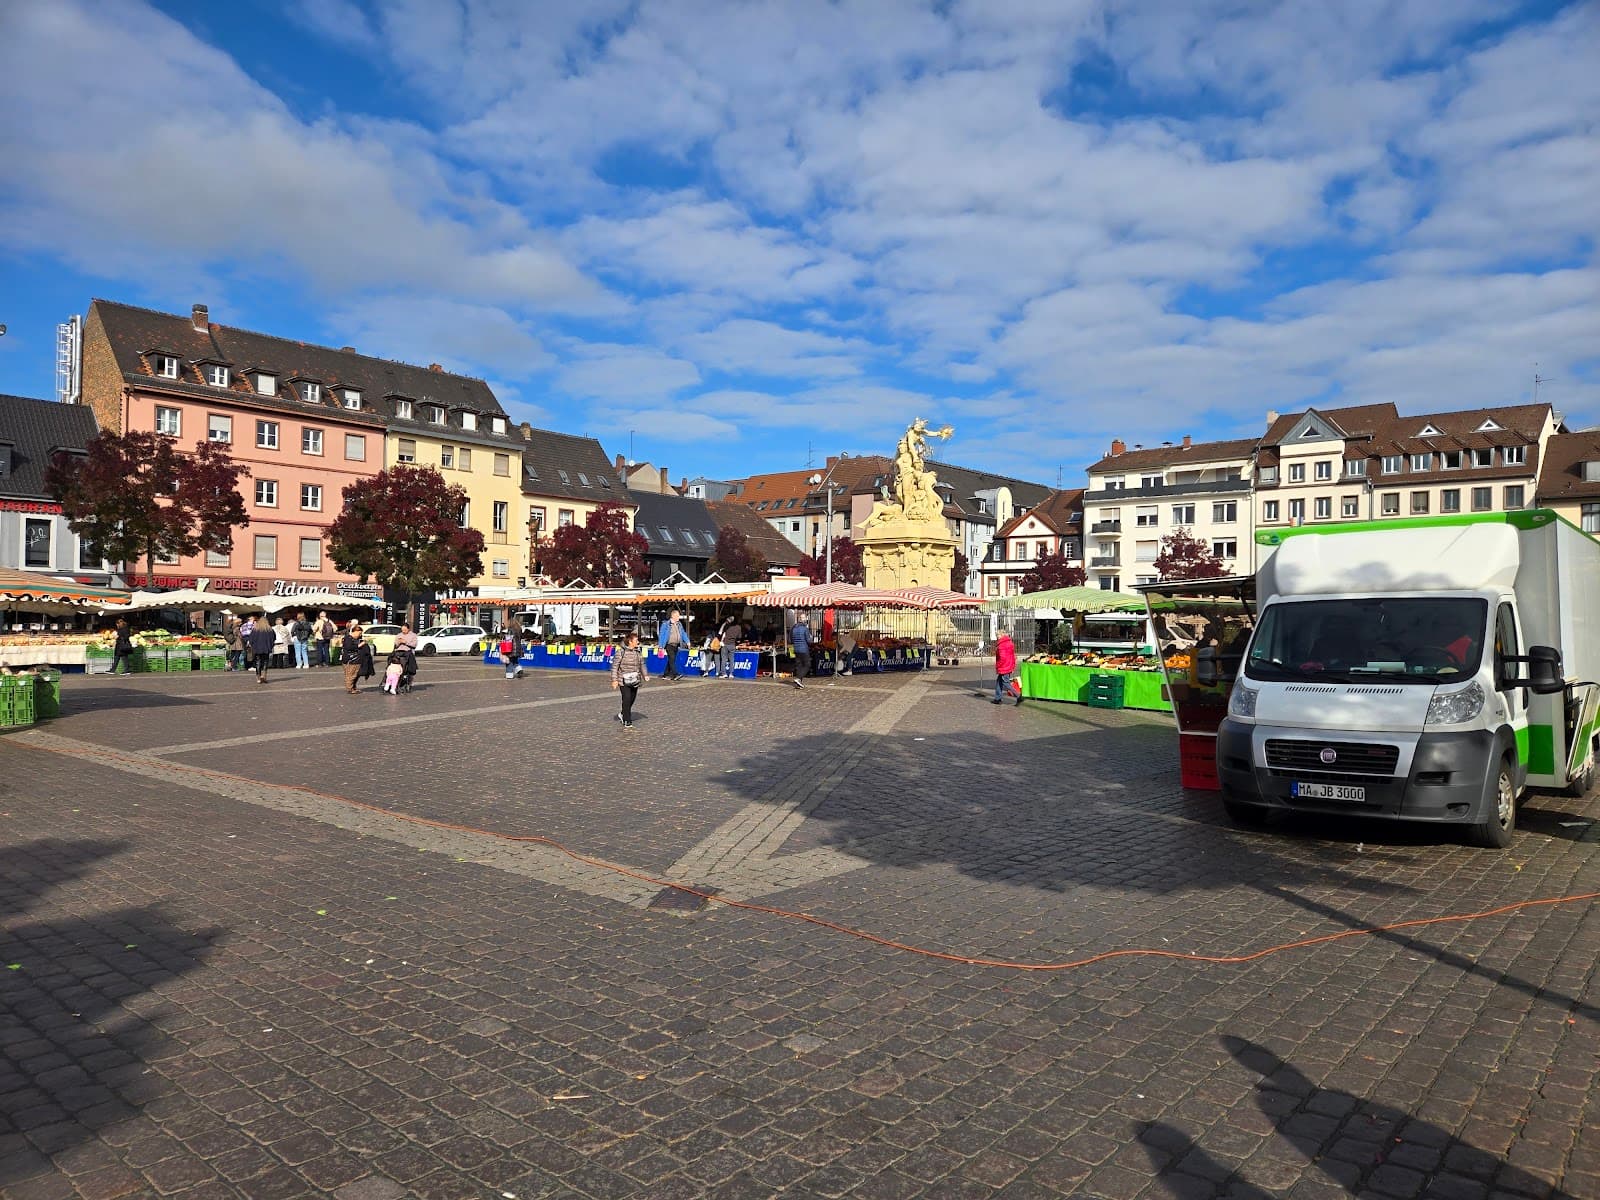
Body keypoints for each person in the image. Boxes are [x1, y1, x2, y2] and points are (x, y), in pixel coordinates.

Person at [611, 628, 647, 730]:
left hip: (635, 679)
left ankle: (623, 713)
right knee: (626, 698)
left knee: (632, 698)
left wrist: (645, 675)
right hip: (623, 680)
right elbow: (615, 667)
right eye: (636, 640)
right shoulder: (620, 652)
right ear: (630, 642)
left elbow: (642, 664)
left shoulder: (638, 652)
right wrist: (614, 680)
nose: (638, 642)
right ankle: (627, 720)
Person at [658, 609, 688, 681]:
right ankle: (675, 674)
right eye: (677, 616)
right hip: (669, 644)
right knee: (672, 658)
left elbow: (683, 633)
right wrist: (660, 646)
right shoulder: (666, 624)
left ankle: (665, 674)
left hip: (676, 645)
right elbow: (661, 635)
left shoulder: (679, 624)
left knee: (671, 660)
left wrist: (687, 641)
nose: (678, 617)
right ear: (673, 616)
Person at [994, 629, 1021, 705]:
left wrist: (998, 666)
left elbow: (1002, 658)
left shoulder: (1001, 645)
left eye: (998, 635)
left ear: (1002, 635)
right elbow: (1013, 656)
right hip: (1008, 666)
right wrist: (1013, 666)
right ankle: (997, 698)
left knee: (1006, 683)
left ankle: (1018, 696)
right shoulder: (1010, 643)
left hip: (1004, 667)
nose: (997, 637)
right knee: (999, 682)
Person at [341, 624, 370, 693]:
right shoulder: (348, 638)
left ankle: (353, 687)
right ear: (355, 632)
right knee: (350, 675)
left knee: (355, 675)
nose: (360, 635)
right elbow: (349, 647)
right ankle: (350, 688)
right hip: (350, 660)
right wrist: (359, 645)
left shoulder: (356, 639)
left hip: (356, 660)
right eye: (359, 633)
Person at [249, 617, 277, 684]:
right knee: (265, 662)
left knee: (258, 663)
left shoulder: (255, 629)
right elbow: (273, 638)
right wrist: (270, 646)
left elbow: (251, 639)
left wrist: (253, 646)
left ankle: (258, 678)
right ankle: (264, 676)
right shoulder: (270, 629)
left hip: (257, 648)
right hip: (266, 648)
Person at [790, 614, 811, 688]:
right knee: (807, 665)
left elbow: (791, 639)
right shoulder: (805, 628)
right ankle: (799, 679)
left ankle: (798, 684)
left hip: (796, 649)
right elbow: (809, 640)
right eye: (805, 618)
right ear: (804, 619)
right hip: (804, 649)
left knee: (799, 665)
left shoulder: (794, 628)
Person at [718, 616, 741, 680]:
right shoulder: (739, 627)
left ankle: (724, 674)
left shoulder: (726, 626)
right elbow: (739, 637)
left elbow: (720, 633)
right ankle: (731, 674)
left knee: (724, 660)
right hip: (732, 644)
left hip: (725, 644)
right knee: (732, 660)